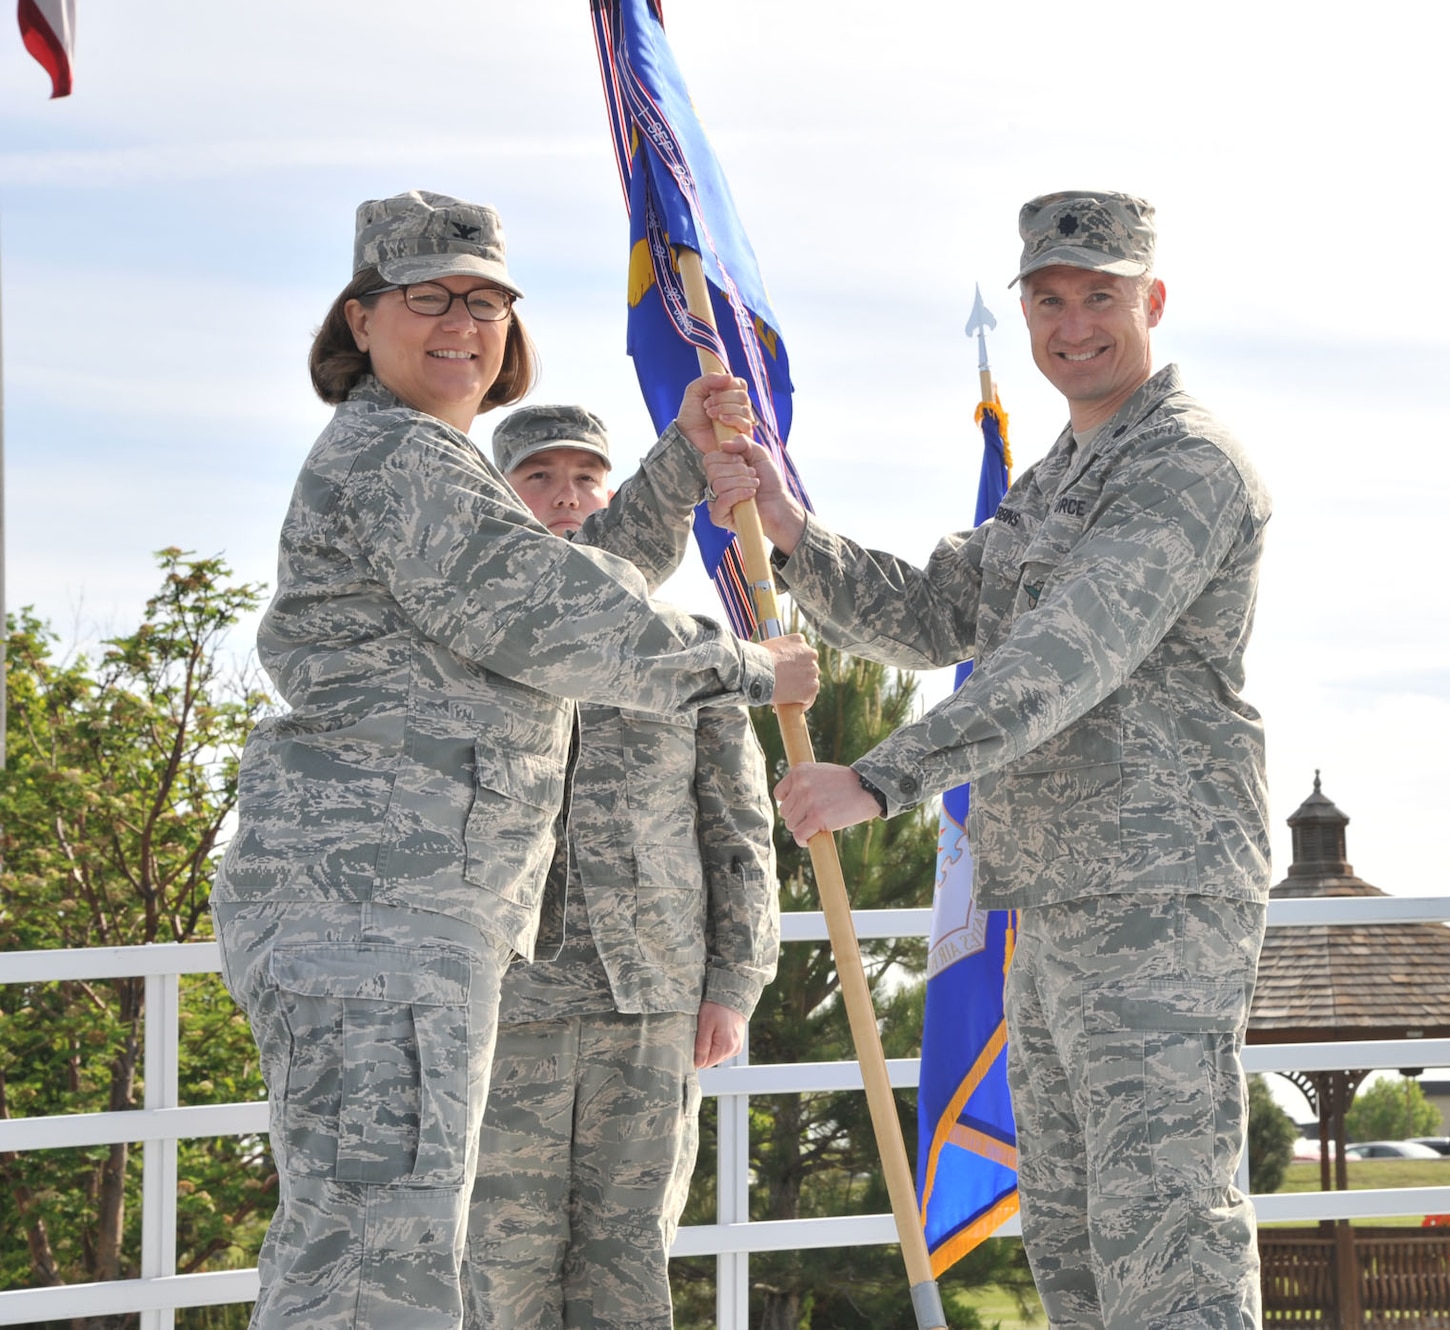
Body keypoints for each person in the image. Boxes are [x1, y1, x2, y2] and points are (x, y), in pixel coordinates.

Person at [210, 190, 817, 1330]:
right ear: (359, 321)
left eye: (486, 301)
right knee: (373, 1258)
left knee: (391, 1241)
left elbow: (572, 576)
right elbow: (559, 617)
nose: (462, 323)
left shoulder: (434, 464)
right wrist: (747, 666)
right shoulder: (398, 458)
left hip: (411, 911)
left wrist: (683, 461)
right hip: (374, 912)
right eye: (427, 297)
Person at [704, 190, 1272, 1328]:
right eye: (1047, 299)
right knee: (1067, 1225)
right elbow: (933, 614)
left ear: (1150, 300)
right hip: (1054, 888)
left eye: (1098, 297)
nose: (1071, 325)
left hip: (1155, 890)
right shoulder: (1058, 470)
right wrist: (792, 529)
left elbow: (1069, 655)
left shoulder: (1184, 463)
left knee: (1162, 1220)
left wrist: (877, 778)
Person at [462, 405, 778, 1330]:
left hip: (654, 1000)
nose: (568, 499)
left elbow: (737, 828)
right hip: (507, 1004)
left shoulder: (694, 651)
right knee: (501, 1269)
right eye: (540, 479)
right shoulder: (474, 635)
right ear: (500, 496)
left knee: (629, 1269)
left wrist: (735, 980)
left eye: (586, 480)